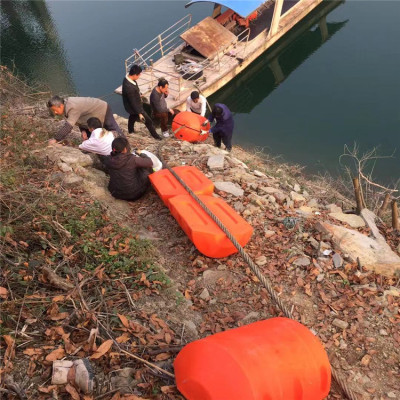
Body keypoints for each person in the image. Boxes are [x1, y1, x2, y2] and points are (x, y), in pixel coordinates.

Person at [47, 96, 123, 144]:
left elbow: (68, 126)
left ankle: (125, 145)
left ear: (61, 106)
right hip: (90, 115)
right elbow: (80, 117)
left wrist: (56, 139)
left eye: (55, 110)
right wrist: (83, 131)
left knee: (112, 128)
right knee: (91, 137)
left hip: (102, 108)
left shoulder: (72, 107)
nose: (55, 112)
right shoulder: (66, 105)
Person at [103, 137, 154, 201]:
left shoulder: (108, 159)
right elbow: (150, 162)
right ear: (125, 149)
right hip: (134, 194)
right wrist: (141, 154)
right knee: (145, 169)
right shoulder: (132, 159)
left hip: (116, 193)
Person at [122, 65, 162, 140]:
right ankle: (157, 137)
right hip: (135, 107)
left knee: (132, 117)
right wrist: (139, 113)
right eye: (139, 74)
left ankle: (130, 131)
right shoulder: (129, 88)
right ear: (134, 75)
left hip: (131, 105)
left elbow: (133, 94)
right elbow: (133, 102)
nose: (139, 76)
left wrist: (138, 94)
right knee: (148, 121)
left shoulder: (127, 78)